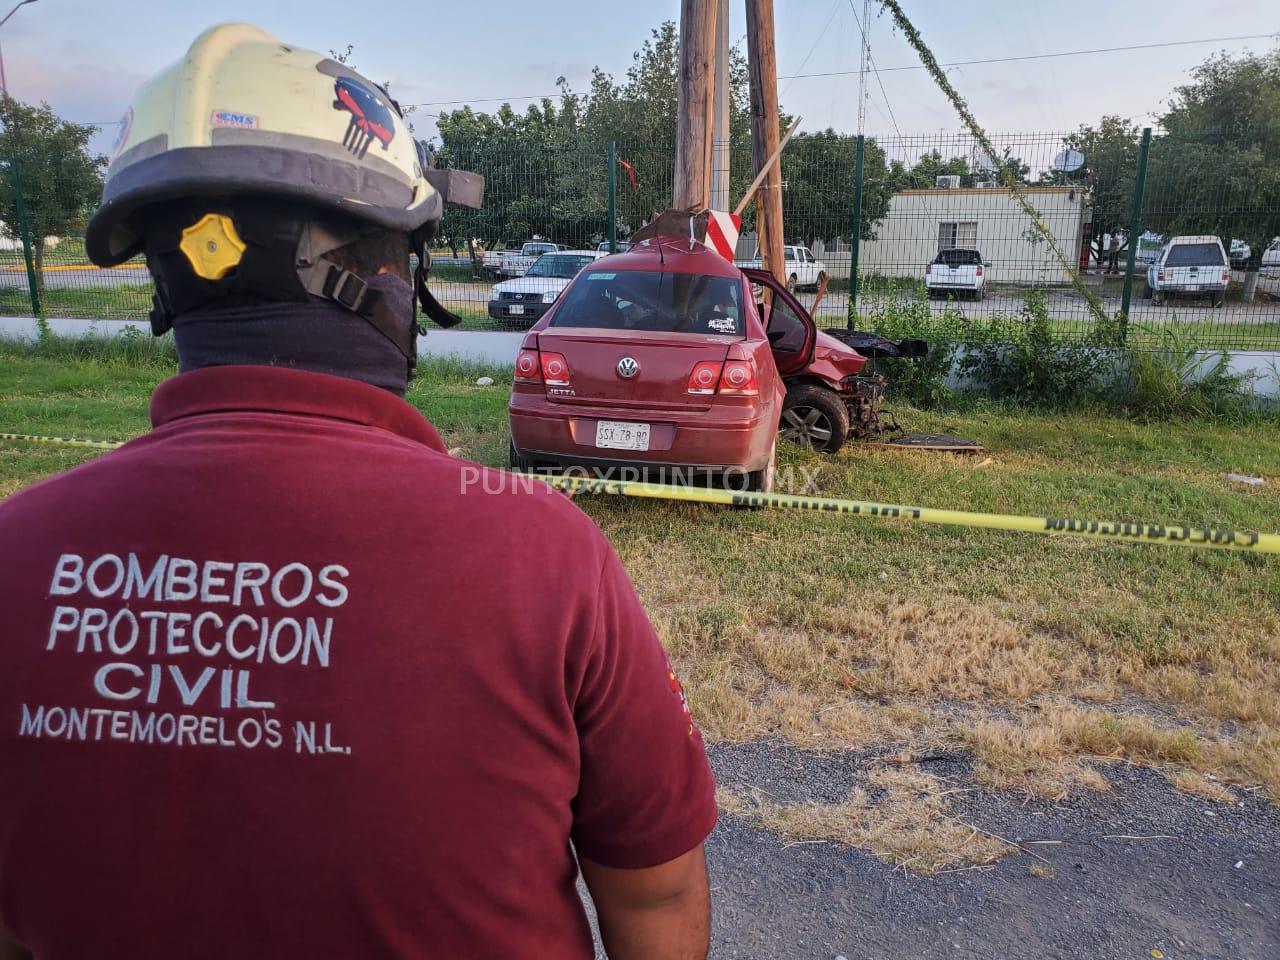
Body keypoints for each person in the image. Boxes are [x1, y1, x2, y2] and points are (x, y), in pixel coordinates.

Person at [0, 24, 717, 960]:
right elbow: (656, 901)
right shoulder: (543, 554)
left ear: (168, 281)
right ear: (386, 272)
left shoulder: (16, 550)